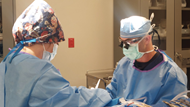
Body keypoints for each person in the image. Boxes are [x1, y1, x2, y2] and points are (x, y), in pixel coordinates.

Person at [0, 0, 112, 107]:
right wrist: (102, 95)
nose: (54, 47)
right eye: (56, 43)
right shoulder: (39, 71)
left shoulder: (9, 60)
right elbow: (70, 100)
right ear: (48, 40)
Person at [106, 14, 187, 105]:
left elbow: (177, 104)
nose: (125, 47)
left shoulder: (171, 74)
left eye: (130, 42)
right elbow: (110, 95)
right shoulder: (124, 64)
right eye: (122, 42)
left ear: (147, 39)